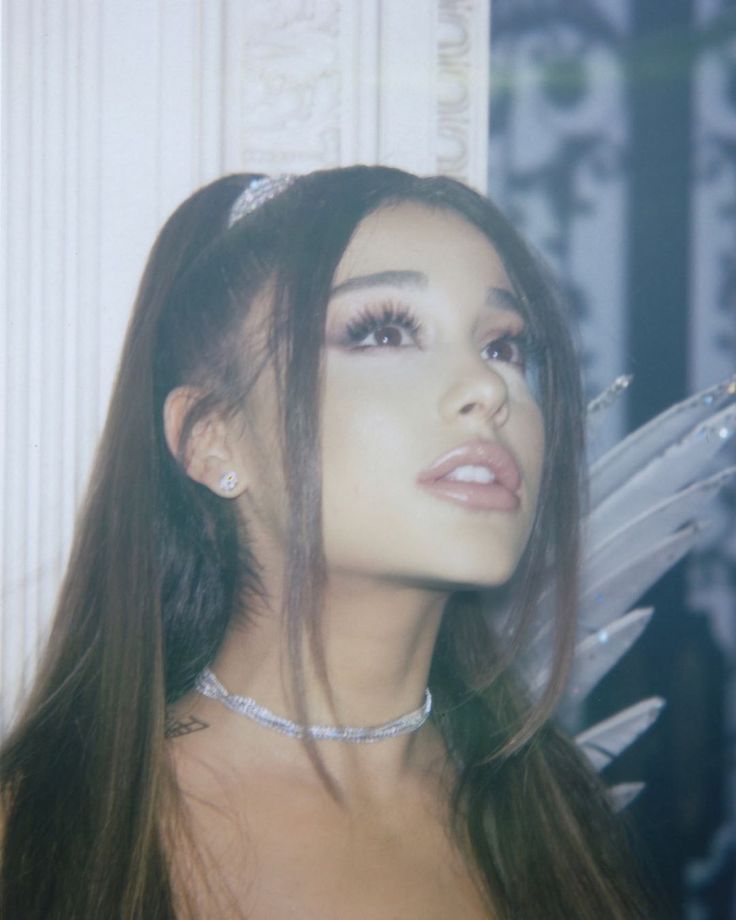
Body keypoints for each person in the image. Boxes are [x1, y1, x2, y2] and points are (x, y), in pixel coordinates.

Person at [0, 166, 653, 918]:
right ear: (213, 441)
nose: (488, 386)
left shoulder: (561, 816)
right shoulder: (47, 837)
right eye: (382, 330)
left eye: (505, 345)